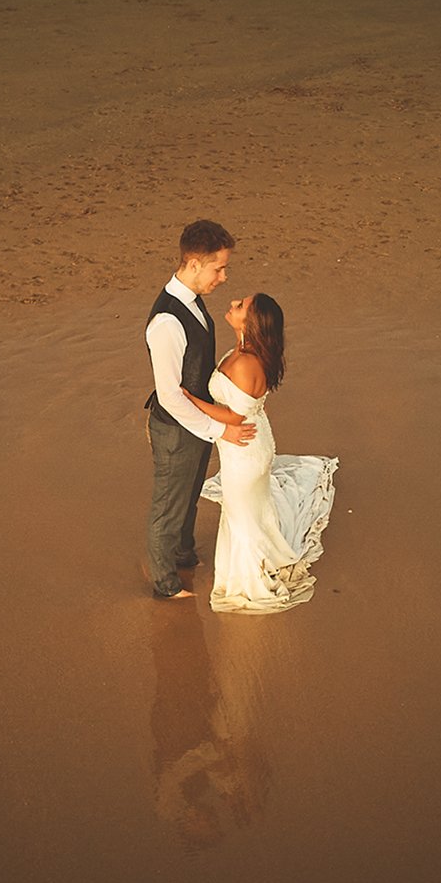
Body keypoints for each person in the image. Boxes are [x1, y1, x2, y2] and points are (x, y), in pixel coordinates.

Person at [185, 294, 339, 613]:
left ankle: (250, 577)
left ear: (250, 323)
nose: (234, 301)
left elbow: (234, 418)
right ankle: (260, 555)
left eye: (241, 305)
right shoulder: (245, 351)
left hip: (245, 449)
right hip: (247, 444)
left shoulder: (245, 363)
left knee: (242, 515)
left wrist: (186, 399)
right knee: (248, 511)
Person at [144, 220, 256, 600]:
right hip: (176, 428)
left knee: (188, 493)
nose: (223, 277)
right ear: (193, 265)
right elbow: (170, 396)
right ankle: (165, 583)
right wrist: (220, 430)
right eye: (218, 268)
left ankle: (184, 554)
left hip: (197, 422)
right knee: (169, 504)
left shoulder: (193, 300)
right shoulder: (165, 322)